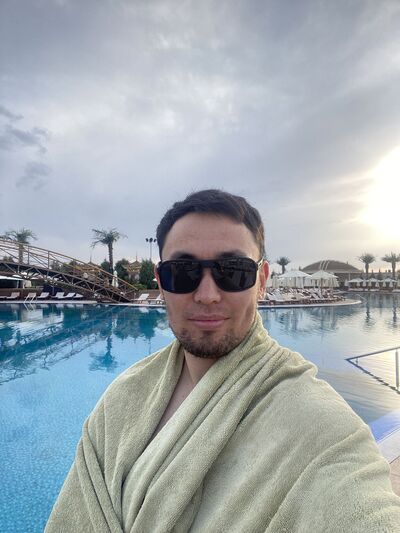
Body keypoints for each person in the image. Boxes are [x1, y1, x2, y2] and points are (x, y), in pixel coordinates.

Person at [46, 189, 400, 532]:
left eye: (233, 271)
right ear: (161, 282)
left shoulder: (324, 428)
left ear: (261, 281)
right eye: (182, 272)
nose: (207, 295)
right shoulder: (121, 398)